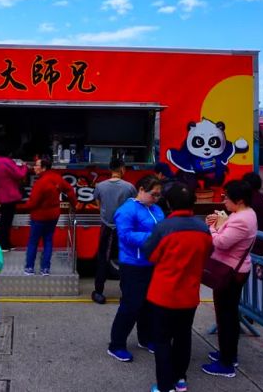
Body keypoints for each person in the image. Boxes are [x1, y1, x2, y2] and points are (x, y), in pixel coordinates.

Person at [141, 183, 212, 392]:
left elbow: (150, 254)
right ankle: (180, 379)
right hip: (189, 295)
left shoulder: (163, 227)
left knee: (162, 341)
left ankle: (164, 386)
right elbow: (208, 253)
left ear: (169, 203)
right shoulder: (203, 228)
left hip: (163, 295)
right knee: (183, 337)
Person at [201, 180, 257, 378]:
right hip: (234, 269)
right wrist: (218, 222)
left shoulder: (242, 219)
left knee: (226, 317)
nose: (224, 201)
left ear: (239, 200)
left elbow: (222, 243)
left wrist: (213, 229)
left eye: (227, 197)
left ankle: (226, 364)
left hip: (230, 272)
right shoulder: (244, 214)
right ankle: (228, 354)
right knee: (228, 315)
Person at [107, 175, 165, 363]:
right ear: (141, 190)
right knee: (131, 305)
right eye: (153, 194)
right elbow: (125, 235)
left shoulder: (156, 209)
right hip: (133, 263)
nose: (156, 198)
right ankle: (116, 344)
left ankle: (145, 338)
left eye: (158, 195)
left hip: (152, 263)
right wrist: (154, 237)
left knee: (149, 305)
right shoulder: (127, 210)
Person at [92, 157, 136, 305]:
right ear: (122, 169)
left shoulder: (100, 186)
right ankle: (126, 294)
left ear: (110, 170)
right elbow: (134, 206)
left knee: (103, 260)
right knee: (125, 260)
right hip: (124, 229)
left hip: (106, 228)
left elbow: (98, 203)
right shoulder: (129, 187)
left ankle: (98, 292)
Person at [23, 157, 77, 276]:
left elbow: (32, 203)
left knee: (33, 242)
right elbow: (70, 190)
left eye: (37, 165)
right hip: (53, 216)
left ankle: (29, 268)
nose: (34, 167)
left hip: (38, 217)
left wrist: (19, 206)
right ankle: (45, 269)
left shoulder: (40, 183)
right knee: (48, 241)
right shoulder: (56, 178)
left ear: (43, 168)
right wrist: (74, 204)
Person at [0, 142, 28, 251]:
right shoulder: (7, 162)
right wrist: (25, 166)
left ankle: (5, 242)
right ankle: (3, 243)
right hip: (10, 195)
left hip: (1, 195)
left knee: (4, 220)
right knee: (6, 221)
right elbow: (20, 174)